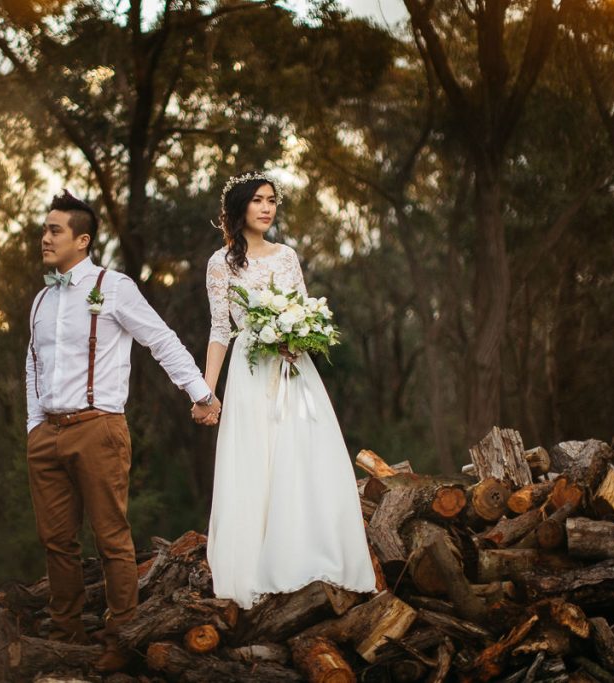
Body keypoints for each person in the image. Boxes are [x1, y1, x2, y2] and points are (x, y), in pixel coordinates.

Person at [25, 190, 220, 671]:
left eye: (55, 230)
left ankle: (123, 635)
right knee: (56, 540)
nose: (44, 238)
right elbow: (33, 365)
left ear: (82, 239)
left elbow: (160, 339)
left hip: (99, 428)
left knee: (111, 539)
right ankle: (66, 630)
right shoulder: (43, 298)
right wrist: (33, 426)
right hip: (47, 434)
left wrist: (201, 394)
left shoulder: (114, 287)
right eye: (45, 229)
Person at [201, 171, 377, 609]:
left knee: (302, 454)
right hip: (249, 369)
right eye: (258, 199)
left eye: (272, 200)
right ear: (240, 207)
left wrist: (298, 336)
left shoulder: (287, 256)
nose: (267, 207)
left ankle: (309, 556)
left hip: (291, 366)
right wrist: (206, 392)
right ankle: (255, 564)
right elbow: (220, 330)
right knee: (255, 459)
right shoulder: (220, 263)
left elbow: (303, 311)